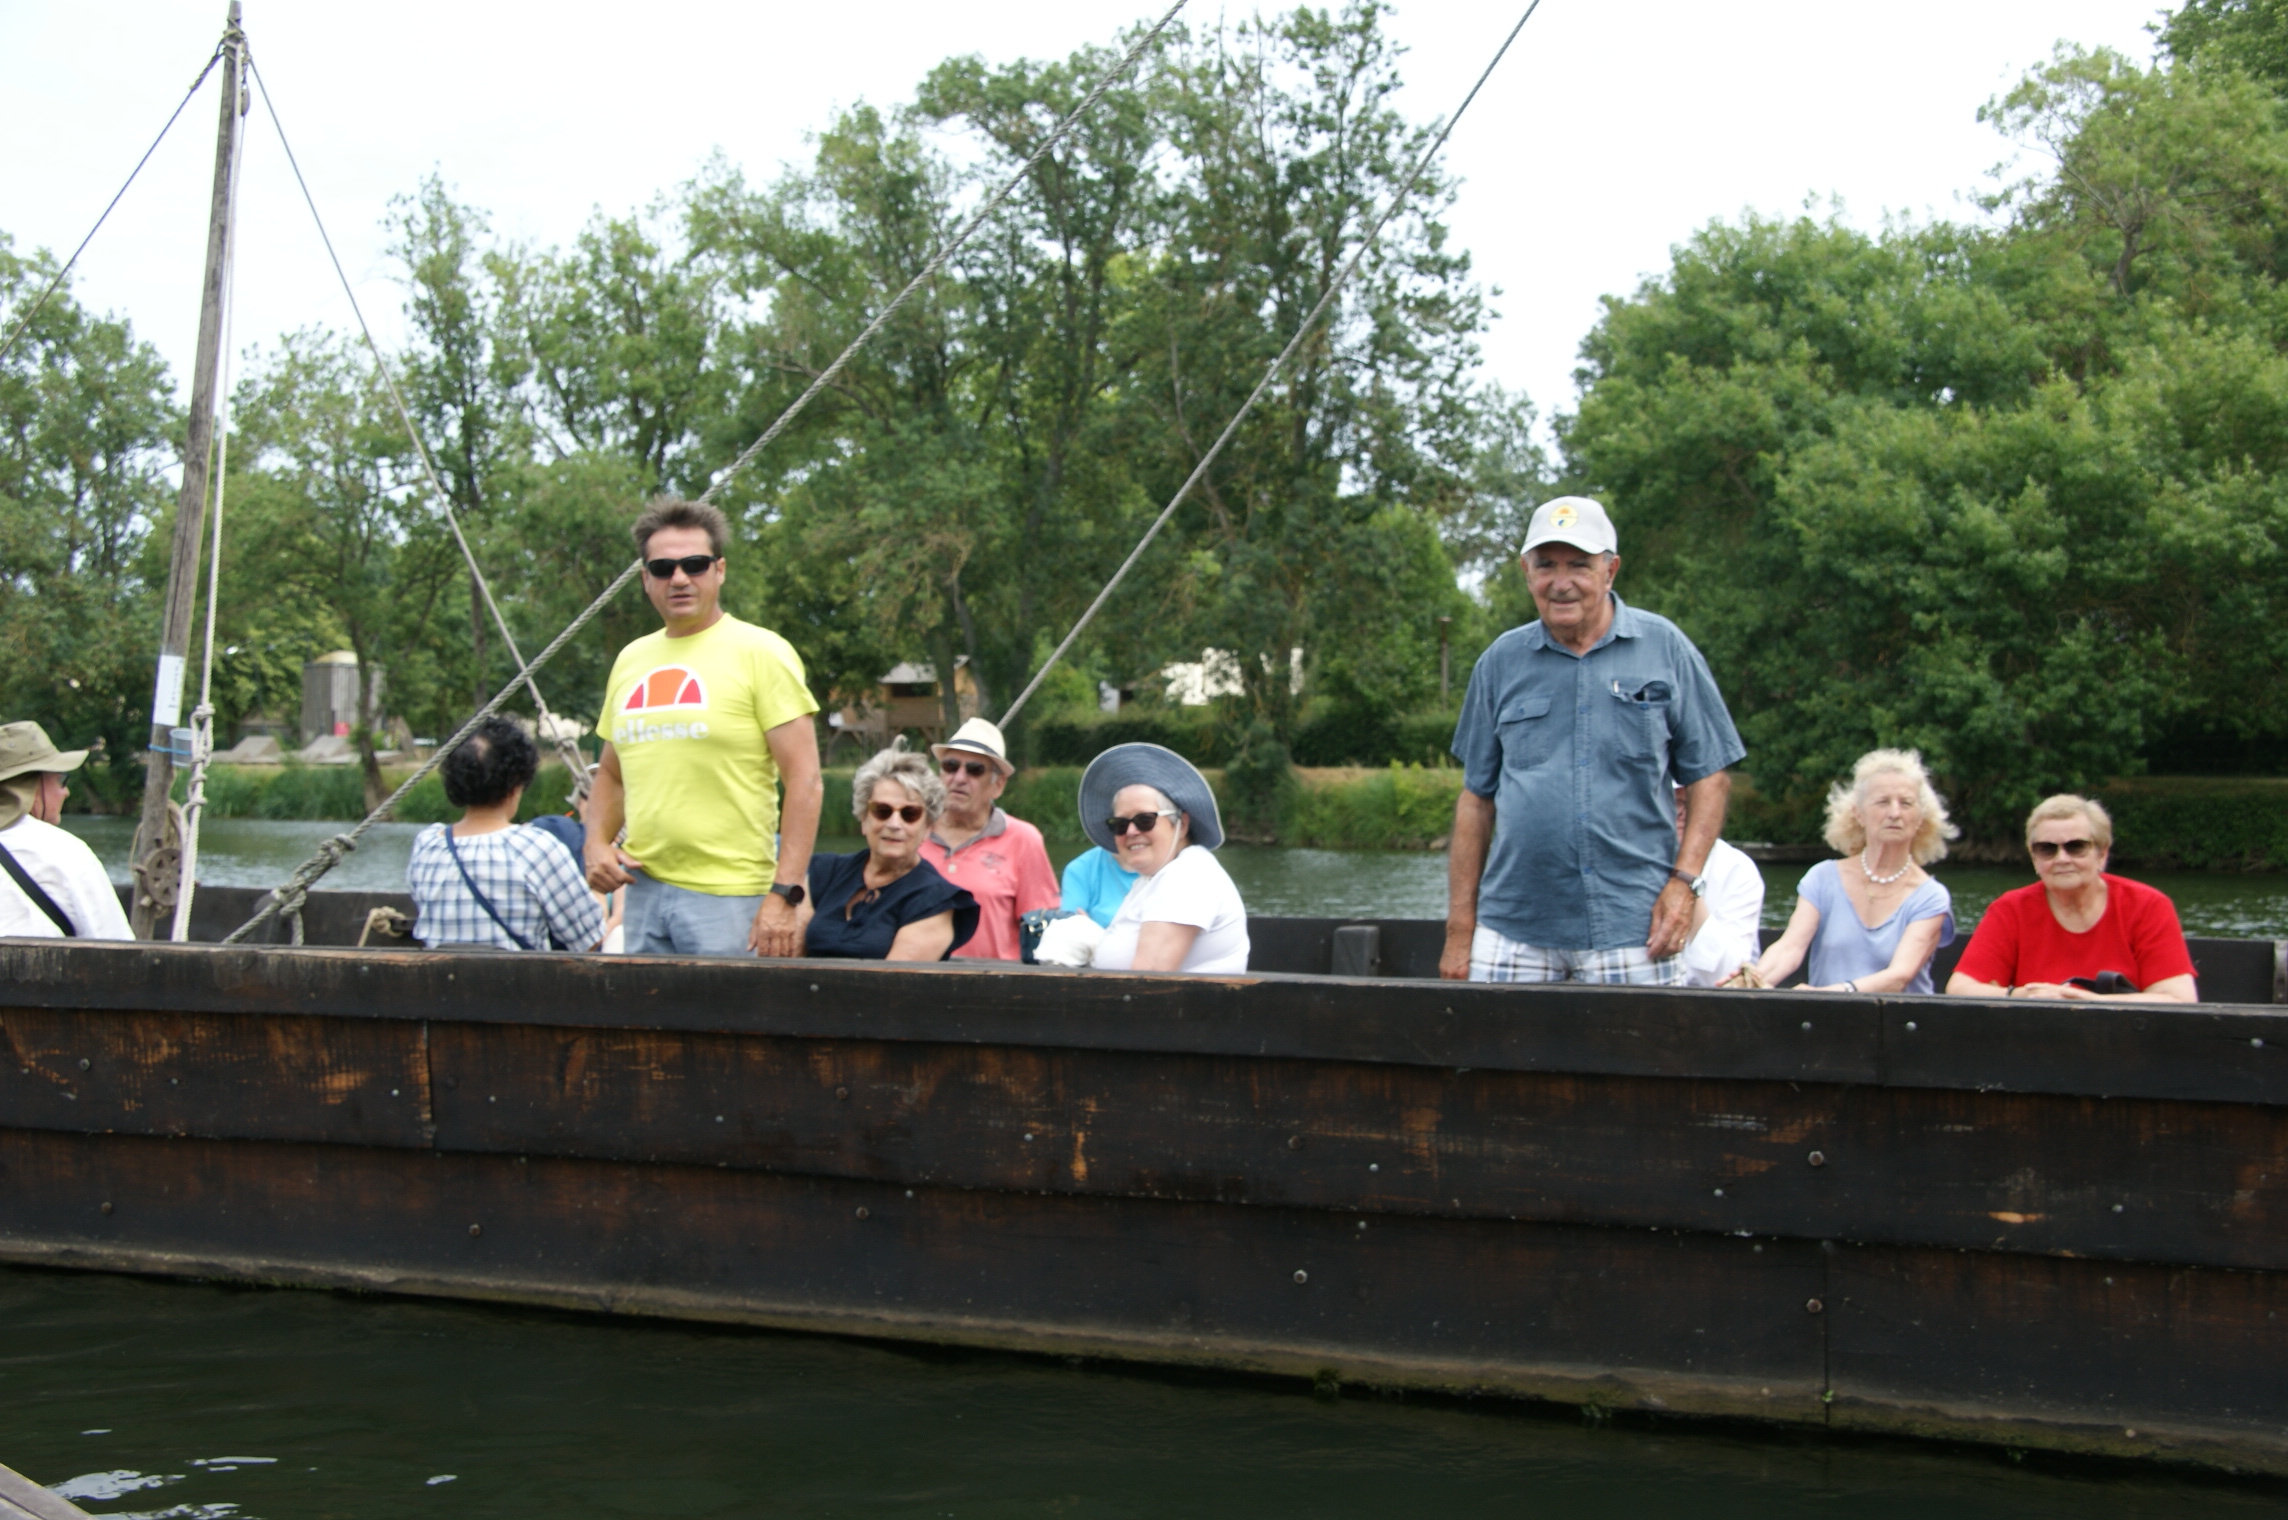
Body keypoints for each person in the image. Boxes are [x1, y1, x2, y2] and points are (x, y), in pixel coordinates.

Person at [1443, 496, 1746, 984]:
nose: (1561, 583)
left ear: (1611, 570)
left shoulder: (1666, 648)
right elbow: (1475, 801)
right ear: (1526, 572)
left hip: (1636, 926)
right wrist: (1461, 929)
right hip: (1511, 928)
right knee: (1499, 1063)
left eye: (1579, 565)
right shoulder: (1499, 661)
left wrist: (1685, 885)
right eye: (1546, 565)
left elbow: (1711, 778)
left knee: (1636, 1062)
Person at [584, 499, 823, 958]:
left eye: (694, 564)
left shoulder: (762, 652)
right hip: (643, 890)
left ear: (720, 570)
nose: (679, 578)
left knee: (731, 1030)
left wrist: (785, 893)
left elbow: (806, 780)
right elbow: (612, 774)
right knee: (649, 1029)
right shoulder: (631, 661)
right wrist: (594, 844)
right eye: (663, 567)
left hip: (732, 899)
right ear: (644, 578)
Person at [1724, 749, 1957, 995]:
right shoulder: (1822, 877)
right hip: (1825, 1020)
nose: (1895, 813)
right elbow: (1790, 948)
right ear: (1858, 813)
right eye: (1882, 802)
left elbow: (1899, 976)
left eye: (1906, 803)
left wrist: (1832, 993)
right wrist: (1750, 982)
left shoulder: (1931, 896)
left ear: (1920, 817)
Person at [1946, 795, 2198, 1003]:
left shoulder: (2148, 906)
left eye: (2076, 847)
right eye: (2047, 849)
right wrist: (2021, 995)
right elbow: (1959, 988)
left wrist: (2089, 1002)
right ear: (2034, 858)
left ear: (2102, 853)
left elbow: (2180, 998)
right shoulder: (2010, 910)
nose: (2062, 859)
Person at [407, 717, 604, 952]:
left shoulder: (427, 844)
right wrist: (600, 889)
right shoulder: (537, 847)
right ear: (517, 783)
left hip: (439, 984)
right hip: (518, 985)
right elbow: (591, 940)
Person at [1079, 743, 1248, 974]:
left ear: (1182, 824)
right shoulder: (1153, 880)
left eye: (1145, 820)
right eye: (1120, 824)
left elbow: (1147, 983)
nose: (1131, 832)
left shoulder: (1187, 876)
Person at [800, 743, 978, 960]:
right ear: (864, 818)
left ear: (927, 826)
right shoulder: (824, 872)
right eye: (882, 811)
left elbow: (892, 986)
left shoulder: (934, 900)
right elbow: (785, 960)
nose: (894, 824)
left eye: (909, 814)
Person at [919, 717, 1057, 960]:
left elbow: (1043, 929)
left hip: (994, 986)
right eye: (951, 766)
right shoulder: (912, 830)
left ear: (998, 785)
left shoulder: (1024, 840)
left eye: (974, 770)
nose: (959, 778)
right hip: (916, 982)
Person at [0, 721, 132, 940]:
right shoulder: (65, 852)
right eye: (60, 780)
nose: (66, 793)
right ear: (30, 786)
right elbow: (118, 948)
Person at [1677, 787, 1766, 988]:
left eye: (1689, 802)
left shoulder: (1737, 867)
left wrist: (1684, 877)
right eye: (1668, 801)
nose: (1679, 813)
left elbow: (1728, 977)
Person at [1059, 845, 1140, 928]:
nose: (1132, 832)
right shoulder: (1080, 869)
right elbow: (1073, 926)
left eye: (1144, 830)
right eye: (1121, 831)